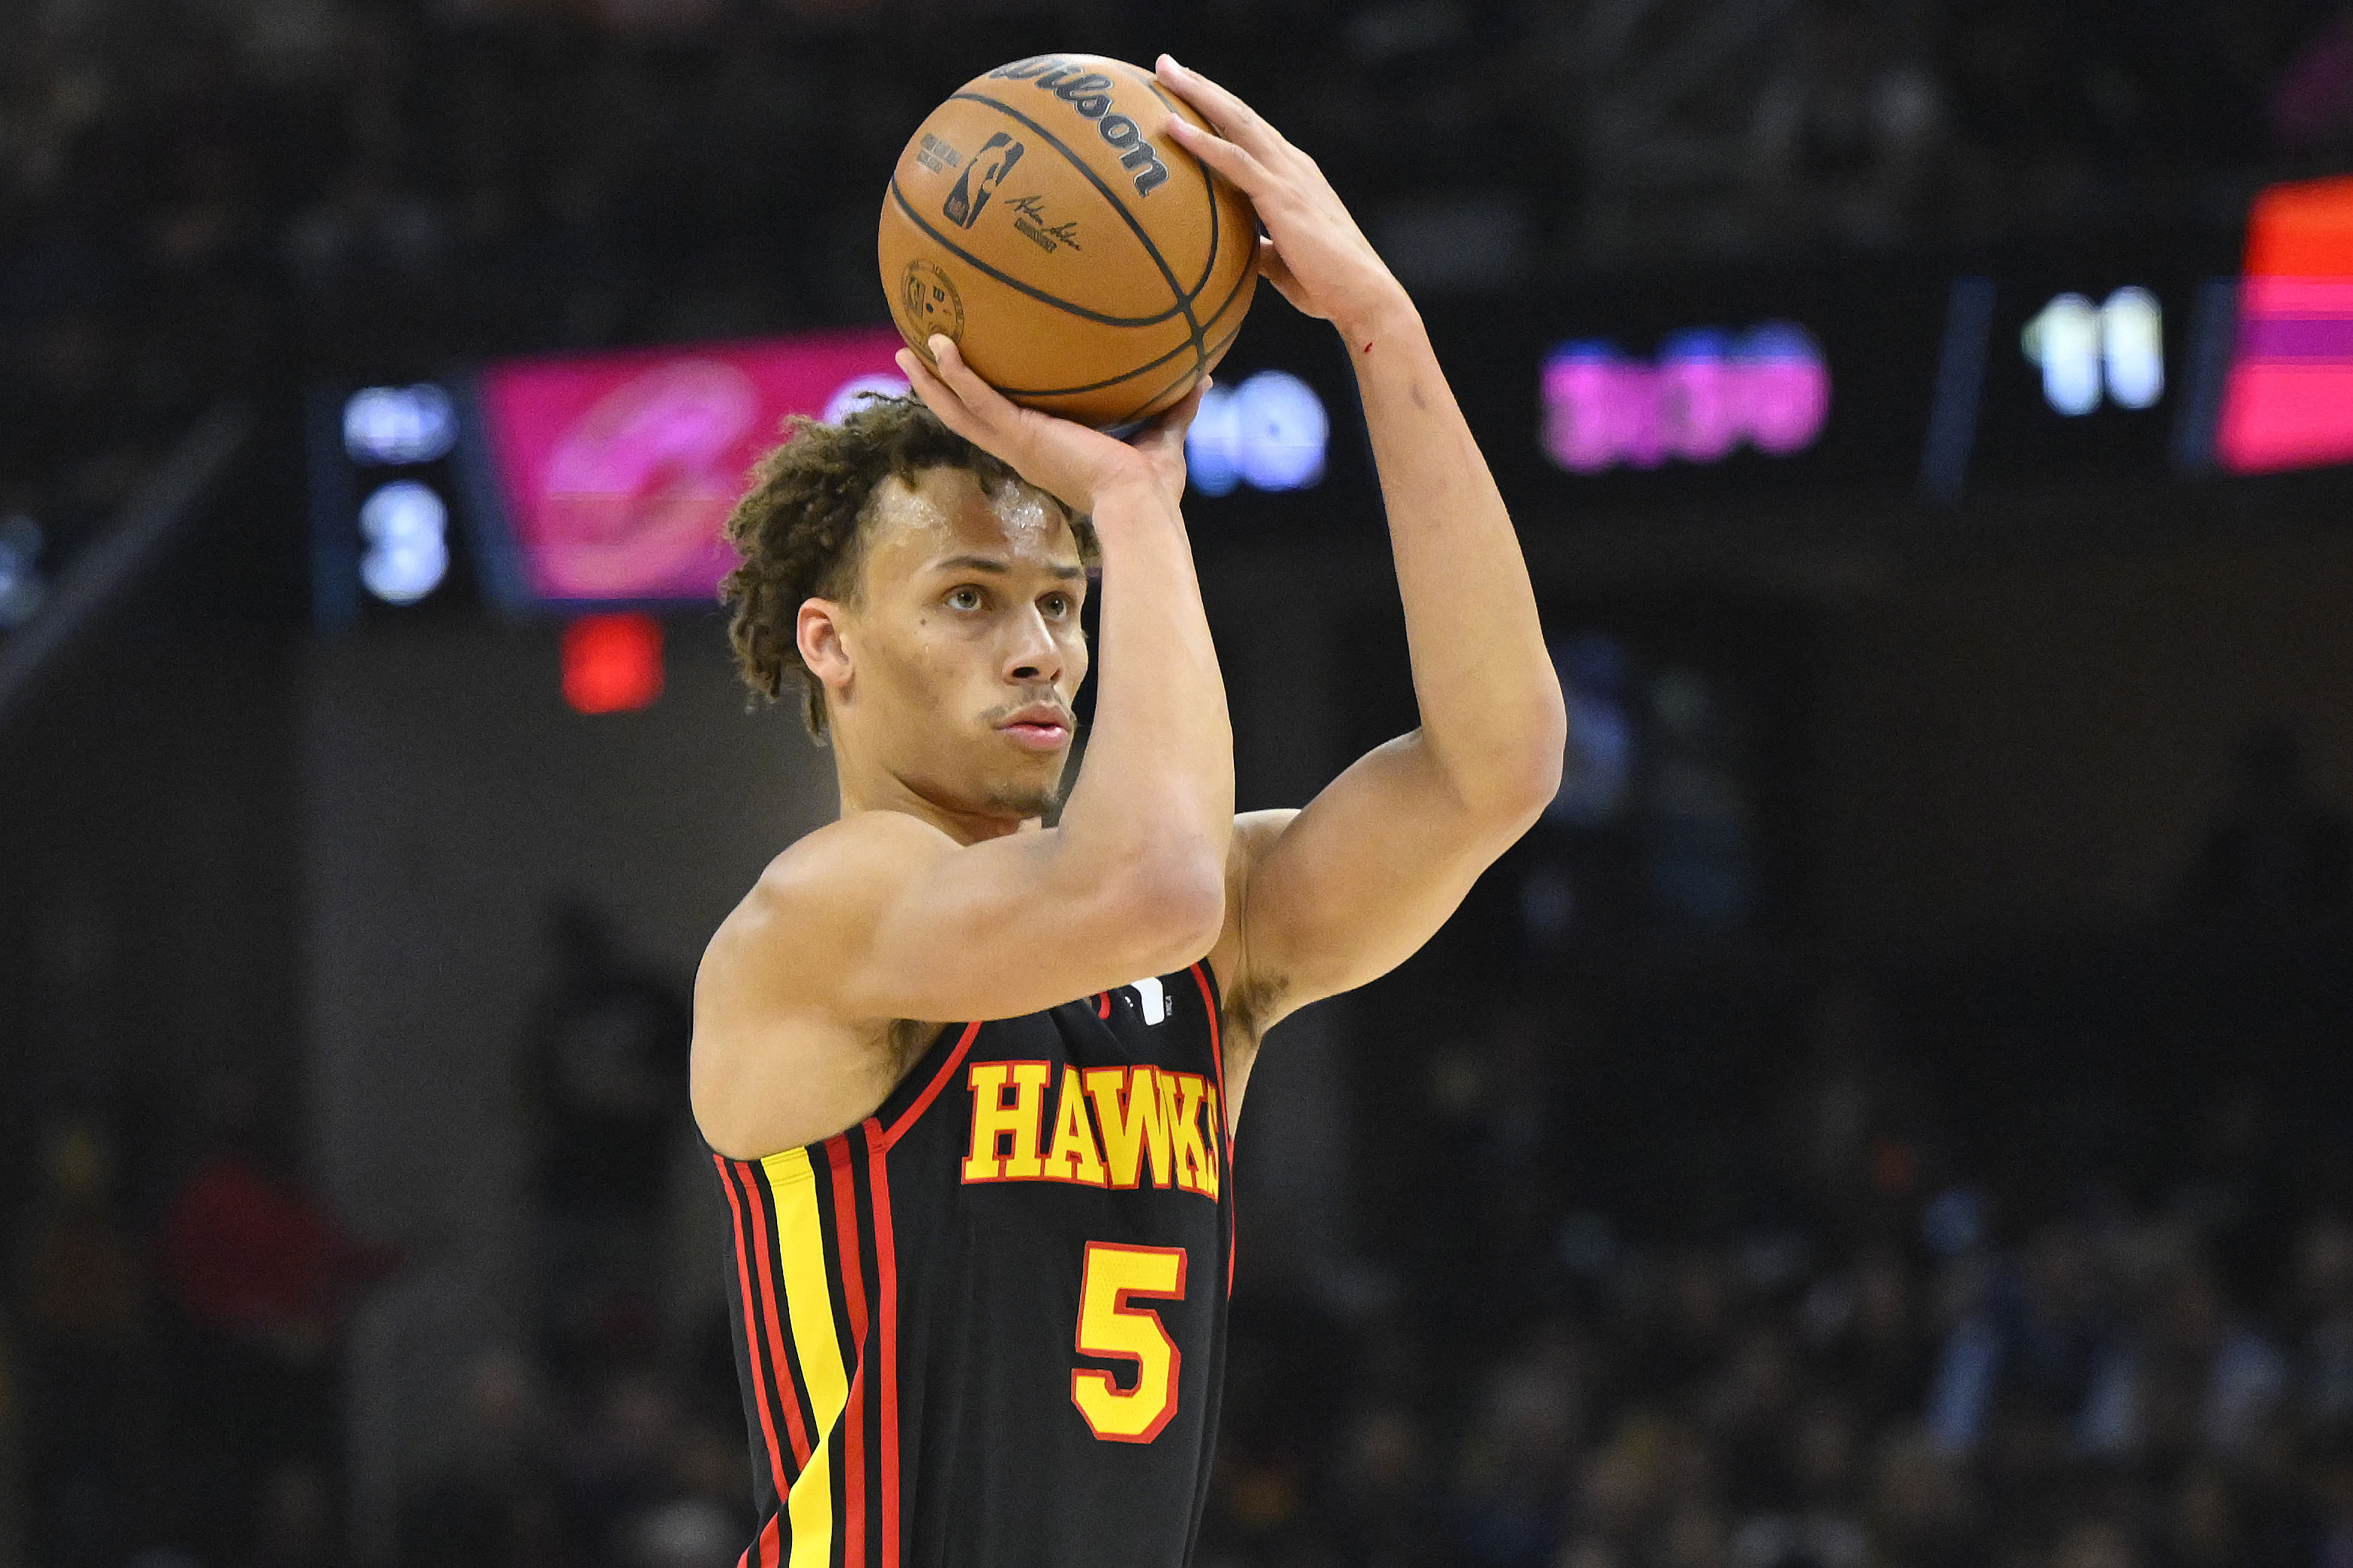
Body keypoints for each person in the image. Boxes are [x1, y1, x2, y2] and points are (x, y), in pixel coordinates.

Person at [689, 54, 1565, 1568]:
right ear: (828, 643)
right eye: (970, 598)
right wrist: (1136, 511)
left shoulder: (1201, 952)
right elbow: (1148, 881)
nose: (1040, 646)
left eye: (1063, 597)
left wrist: (1381, 327)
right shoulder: (821, 915)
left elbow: (1497, 767)